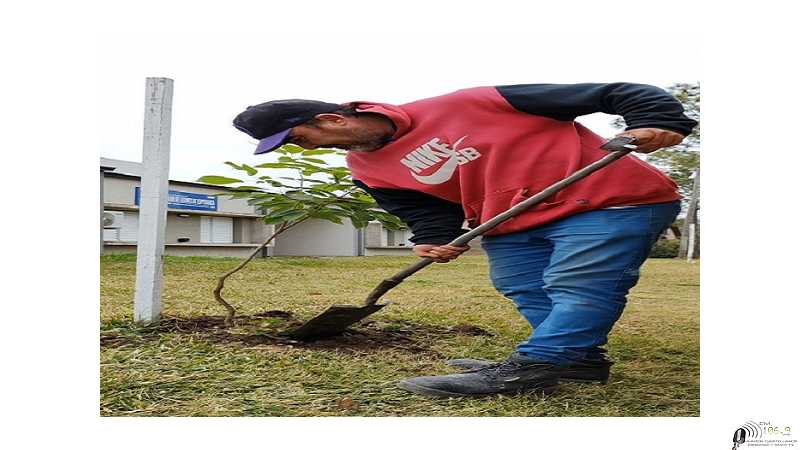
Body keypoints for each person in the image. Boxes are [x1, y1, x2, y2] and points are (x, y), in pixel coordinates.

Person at [233, 83, 698, 398]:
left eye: (300, 139)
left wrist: (657, 120)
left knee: (577, 284)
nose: (307, 148)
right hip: (511, 218)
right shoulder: (364, 166)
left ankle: (537, 365)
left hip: (608, 199)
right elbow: (420, 208)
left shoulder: (475, 102)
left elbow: (614, 91)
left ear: (332, 119)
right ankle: (580, 359)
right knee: (521, 285)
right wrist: (433, 238)